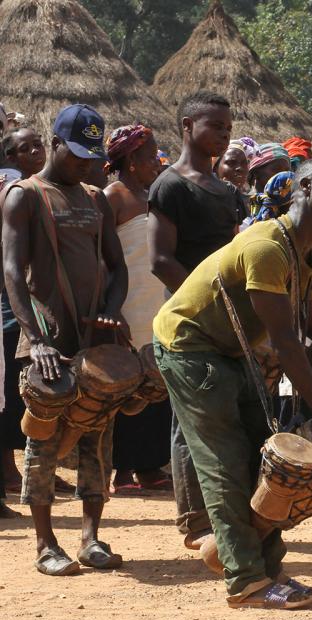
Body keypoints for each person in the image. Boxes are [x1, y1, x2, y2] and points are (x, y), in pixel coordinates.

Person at [154, 159, 312, 608]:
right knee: (224, 462)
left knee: (258, 458)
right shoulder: (268, 245)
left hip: (231, 352)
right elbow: (287, 342)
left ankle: (268, 572)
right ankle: (247, 581)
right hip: (188, 347)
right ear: (304, 187)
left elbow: (311, 334)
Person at [3, 104, 129, 575]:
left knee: (99, 433)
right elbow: (13, 271)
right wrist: (35, 338)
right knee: (42, 436)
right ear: (55, 144)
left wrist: (111, 312)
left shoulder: (96, 198)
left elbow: (117, 268)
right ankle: (44, 542)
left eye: (91, 156)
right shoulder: (25, 195)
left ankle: (91, 537)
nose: (85, 164)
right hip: (46, 336)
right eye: (76, 154)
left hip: (91, 338)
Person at [148, 91, 241, 550]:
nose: (224, 134)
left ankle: (228, 513)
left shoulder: (228, 192)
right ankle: (195, 520)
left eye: (227, 127)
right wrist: (203, 299)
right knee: (188, 421)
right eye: (215, 126)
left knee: (224, 414)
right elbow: (160, 259)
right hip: (186, 318)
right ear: (188, 126)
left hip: (228, 320)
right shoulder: (170, 186)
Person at [102, 124, 171, 494]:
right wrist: (112, 308)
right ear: (131, 160)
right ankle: (123, 471)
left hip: (158, 301)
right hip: (128, 302)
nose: (156, 162)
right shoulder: (113, 196)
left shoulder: (154, 195)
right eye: (150, 156)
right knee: (128, 387)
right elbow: (106, 258)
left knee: (155, 384)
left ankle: (149, 467)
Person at [0, 127, 46, 513]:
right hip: (7, 302)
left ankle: (17, 470)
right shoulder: (11, 192)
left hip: (33, 300)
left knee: (18, 394)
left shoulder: (47, 193)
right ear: (11, 158)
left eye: (38, 145)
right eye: (24, 149)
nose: (35, 152)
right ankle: (8, 471)